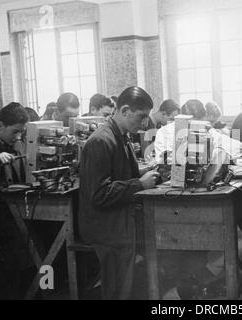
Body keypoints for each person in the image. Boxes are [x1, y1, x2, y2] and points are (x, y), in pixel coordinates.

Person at [78, 86, 160, 300]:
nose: (144, 124)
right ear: (124, 110)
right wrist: (140, 184)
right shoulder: (100, 141)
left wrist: (147, 172)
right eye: (141, 117)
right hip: (105, 227)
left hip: (119, 217)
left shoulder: (120, 136)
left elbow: (121, 174)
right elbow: (99, 193)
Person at [0, 103, 29, 299]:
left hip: (9, 213)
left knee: (14, 262)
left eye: (22, 132)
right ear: (0, 125)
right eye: (15, 132)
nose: (19, 137)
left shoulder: (15, 144)